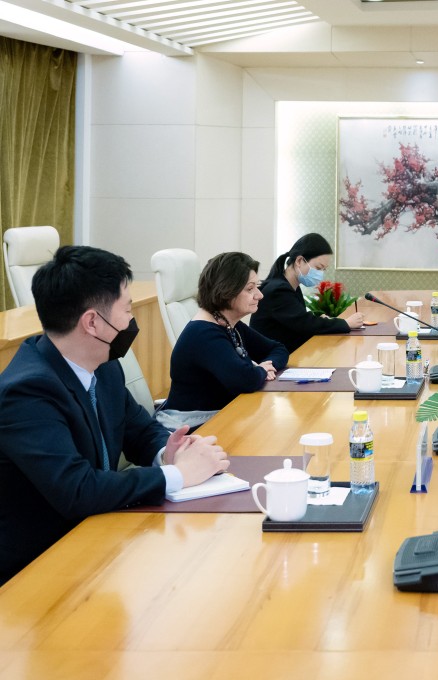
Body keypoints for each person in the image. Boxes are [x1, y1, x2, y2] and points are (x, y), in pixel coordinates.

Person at [0, 246, 229, 585]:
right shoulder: (26, 393)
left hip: (99, 537)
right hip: (41, 566)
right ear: (92, 322)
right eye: (127, 309)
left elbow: (137, 429)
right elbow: (77, 490)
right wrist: (178, 476)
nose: (131, 321)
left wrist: (169, 450)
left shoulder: (104, 368)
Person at [162, 252, 289, 422]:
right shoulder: (204, 334)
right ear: (227, 291)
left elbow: (278, 349)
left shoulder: (230, 324)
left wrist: (267, 366)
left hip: (220, 415)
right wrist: (260, 370)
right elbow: (245, 379)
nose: (260, 295)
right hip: (191, 425)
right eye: (250, 289)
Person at [251, 233, 364, 353]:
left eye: (323, 270)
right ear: (299, 261)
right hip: (270, 362)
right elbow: (306, 324)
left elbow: (297, 319)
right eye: (318, 268)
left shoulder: (290, 286)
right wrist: (346, 323)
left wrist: (321, 320)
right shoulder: (278, 290)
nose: (320, 274)